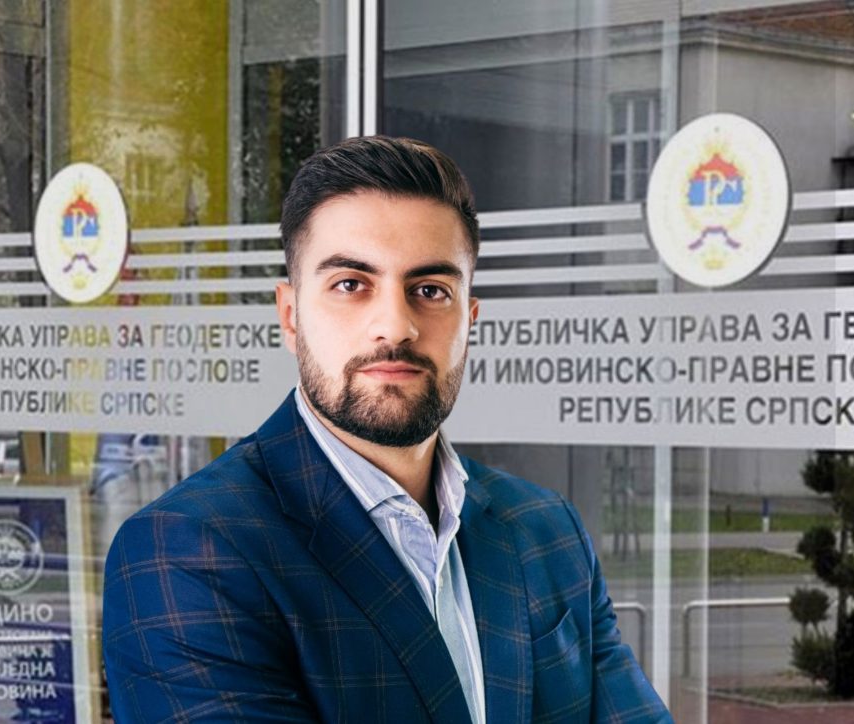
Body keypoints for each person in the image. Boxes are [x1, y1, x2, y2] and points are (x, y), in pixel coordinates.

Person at [102, 136, 673, 723]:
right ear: (291, 316)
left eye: (430, 291)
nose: (395, 326)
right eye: (351, 284)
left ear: (470, 320)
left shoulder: (548, 530)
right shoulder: (189, 550)